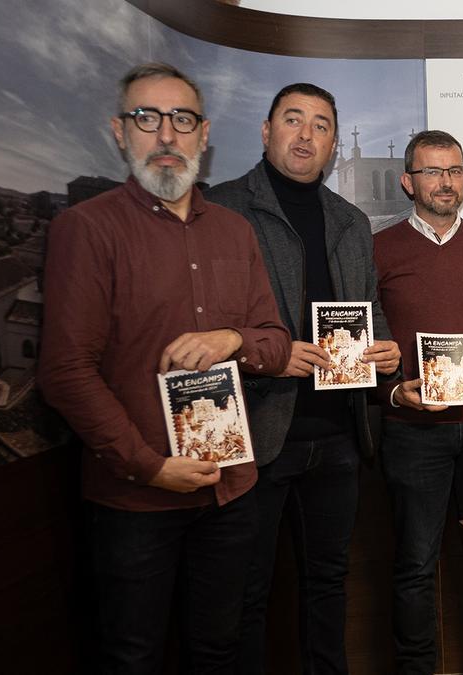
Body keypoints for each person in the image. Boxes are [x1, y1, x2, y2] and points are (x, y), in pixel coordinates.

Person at [36, 62, 291, 672]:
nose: (167, 136)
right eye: (146, 118)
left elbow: (276, 344)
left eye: (182, 120)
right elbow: (65, 371)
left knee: (220, 650)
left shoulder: (235, 231)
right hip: (135, 503)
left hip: (231, 493)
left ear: (204, 135)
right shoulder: (87, 229)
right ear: (120, 132)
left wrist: (231, 337)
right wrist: (149, 466)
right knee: (133, 656)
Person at [206, 82, 401, 674]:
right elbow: (199, 321)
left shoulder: (349, 219)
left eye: (321, 125)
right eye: (293, 120)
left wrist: (385, 352)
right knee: (244, 593)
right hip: (254, 434)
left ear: (334, 144)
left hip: (339, 437)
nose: (306, 134)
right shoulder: (220, 208)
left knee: (328, 585)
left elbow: (366, 306)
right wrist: (264, 354)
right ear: (266, 132)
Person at [373, 130, 463, 675]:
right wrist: (393, 391)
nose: (445, 182)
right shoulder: (378, 248)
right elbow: (363, 343)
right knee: (415, 564)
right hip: (412, 430)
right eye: (433, 172)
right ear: (407, 180)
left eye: (455, 171)